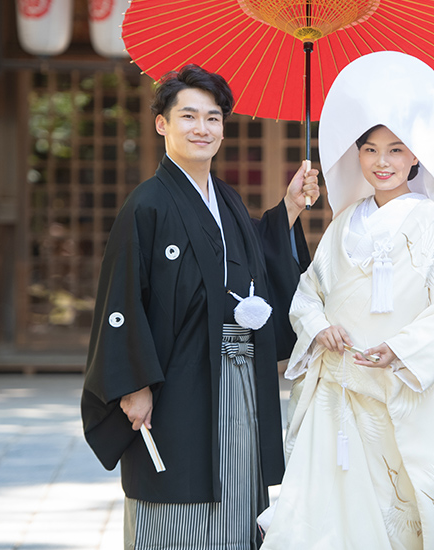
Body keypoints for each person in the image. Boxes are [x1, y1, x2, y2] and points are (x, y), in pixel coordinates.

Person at [80, 64, 320, 549]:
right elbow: (121, 299)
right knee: (177, 493)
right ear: (162, 124)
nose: (201, 128)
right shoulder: (146, 205)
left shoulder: (225, 199)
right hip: (175, 380)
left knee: (235, 491)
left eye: (213, 118)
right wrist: (133, 384)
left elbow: (251, 254)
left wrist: (290, 208)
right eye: (188, 116)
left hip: (238, 373)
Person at [260, 52, 434, 550]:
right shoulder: (344, 223)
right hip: (338, 387)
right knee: (328, 506)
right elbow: (309, 290)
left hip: (396, 386)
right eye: (371, 149)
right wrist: (319, 327)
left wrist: (401, 348)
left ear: (415, 157)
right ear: (357, 155)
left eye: (396, 150)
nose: (382, 162)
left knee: (395, 506)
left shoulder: (432, 223)